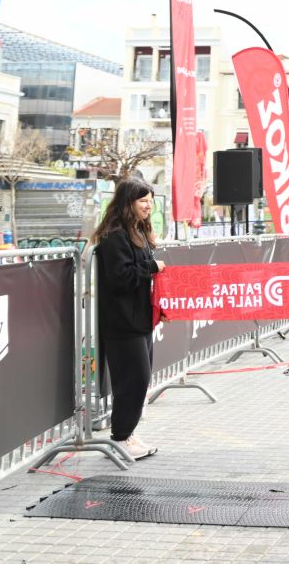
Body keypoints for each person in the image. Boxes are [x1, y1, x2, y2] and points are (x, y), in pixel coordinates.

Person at [91, 179, 164, 462]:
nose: (148, 206)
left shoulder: (137, 231)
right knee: (133, 379)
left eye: (150, 201)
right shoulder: (114, 236)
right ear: (127, 203)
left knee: (139, 380)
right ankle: (120, 438)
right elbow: (120, 277)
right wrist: (152, 266)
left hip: (140, 319)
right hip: (122, 322)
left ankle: (127, 435)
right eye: (143, 201)